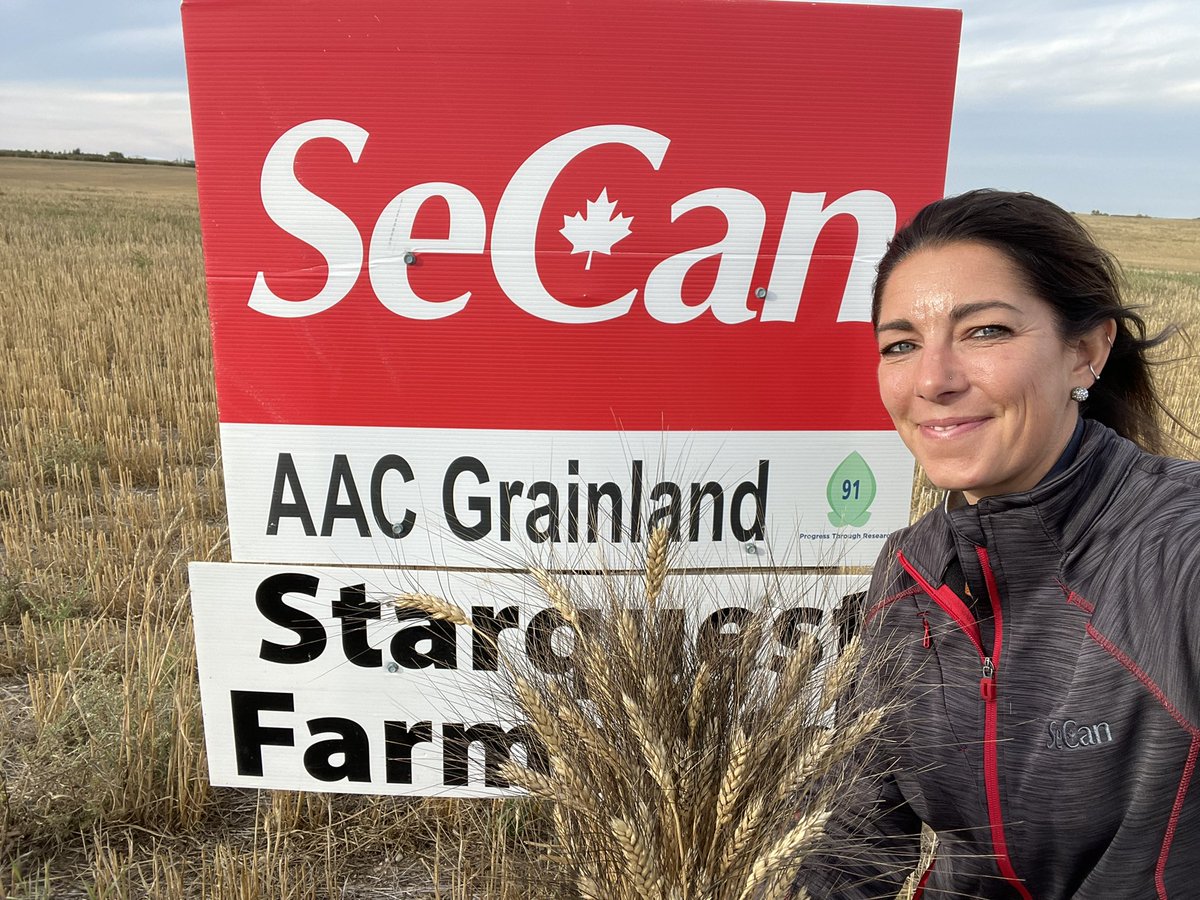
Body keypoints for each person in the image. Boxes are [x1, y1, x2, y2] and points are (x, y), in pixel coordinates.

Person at [797, 190, 1200, 899]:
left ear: (1086, 351)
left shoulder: (1176, 550)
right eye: (901, 344)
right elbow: (851, 846)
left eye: (984, 332)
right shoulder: (909, 570)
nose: (933, 380)